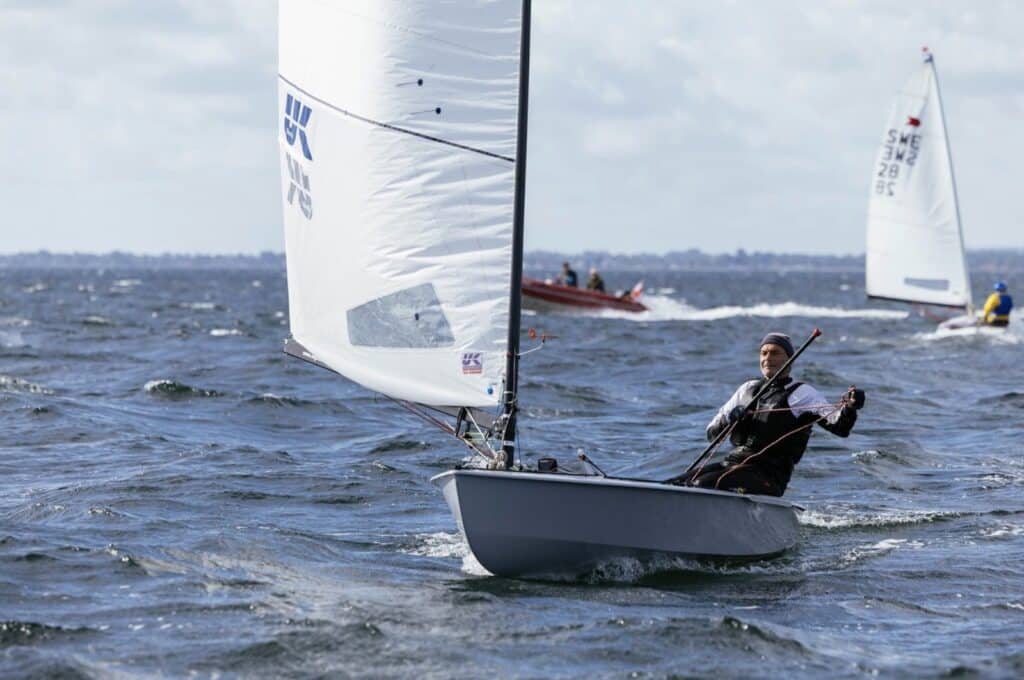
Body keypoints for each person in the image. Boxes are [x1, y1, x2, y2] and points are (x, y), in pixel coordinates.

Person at [679, 333, 865, 497]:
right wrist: (730, 419)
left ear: (789, 360)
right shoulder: (747, 389)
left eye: (775, 353)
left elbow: (841, 427)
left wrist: (851, 407)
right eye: (764, 353)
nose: (768, 358)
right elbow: (711, 434)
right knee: (678, 483)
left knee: (702, 485)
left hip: (768, 475)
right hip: (732, 464)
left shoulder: (802, 394)